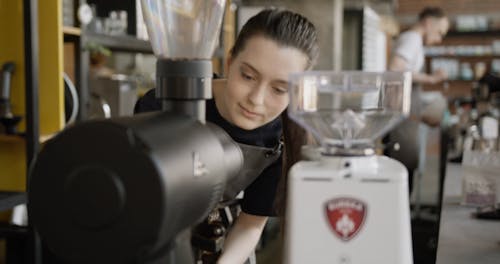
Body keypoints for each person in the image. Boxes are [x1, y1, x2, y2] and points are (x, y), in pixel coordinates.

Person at [134, 8, 319, 263]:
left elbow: (251, 225)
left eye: (278, 89)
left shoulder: (280, 140)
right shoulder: (163, 104)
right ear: (230, 62)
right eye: (248, 76)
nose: (256, 100)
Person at [387, 6, 450, 193]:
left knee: (406, 171)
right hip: (401, 119)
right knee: (402, 172)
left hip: (406, 115)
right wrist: (431, 79)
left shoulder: (412, 40)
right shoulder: (412, 39)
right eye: (439, 32)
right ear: (428, 22)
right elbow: (396, 69)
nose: (439, 39)